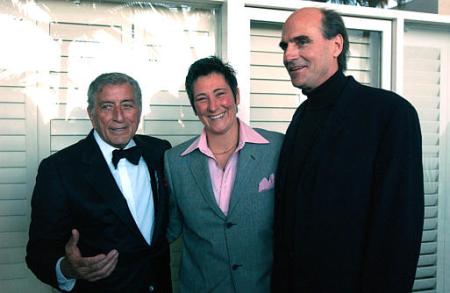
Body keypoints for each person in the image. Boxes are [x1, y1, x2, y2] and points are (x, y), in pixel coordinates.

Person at [272, 7, 424, 293]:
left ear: (336, 45)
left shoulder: (389, 113)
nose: (288, 55)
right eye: (285, 45)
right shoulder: (302, 116)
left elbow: (398, 231)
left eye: (301, 42)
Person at [26, 72, 172, 292]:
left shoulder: (160, 151)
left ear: (139, 110)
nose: (119, 116)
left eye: (127, 105)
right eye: (106, 107)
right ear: (91, 114)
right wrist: (68, 268)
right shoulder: (58, 169)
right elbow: (39, 253)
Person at [164, 56, 283, 292]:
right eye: (202, 98)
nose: (213, 106)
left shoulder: (277, 148)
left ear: (236, 96)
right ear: (194, 107)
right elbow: (166, 231)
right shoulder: (174, 162)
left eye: (220, 93)